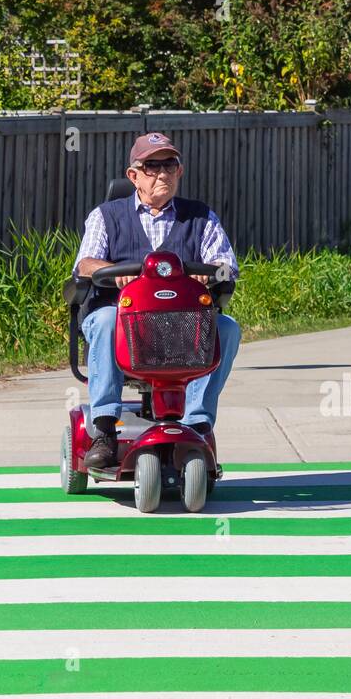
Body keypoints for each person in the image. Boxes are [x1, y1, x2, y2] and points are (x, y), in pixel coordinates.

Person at [73, 132, 241, 468]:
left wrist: (210, 272)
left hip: (182, 322)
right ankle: (105, 429)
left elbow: (227, 265)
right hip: (121, 317)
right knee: (106, 321)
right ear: (133, 175)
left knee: (227, 328)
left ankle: (196, 423)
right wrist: (113, 270)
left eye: (169, 164)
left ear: (180, 171)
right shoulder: (106, 215)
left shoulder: (201, 217)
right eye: (151, 166)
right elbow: (85, 263)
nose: (162, 173)